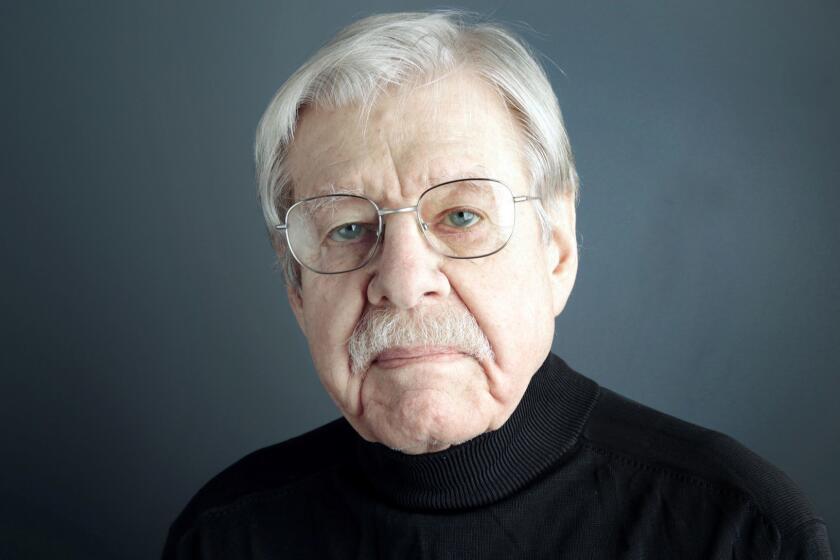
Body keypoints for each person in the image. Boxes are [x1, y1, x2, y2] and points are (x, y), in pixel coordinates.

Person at [162, 11, 832, 559]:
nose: (401, 280)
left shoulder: (742, 531)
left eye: (460, 215)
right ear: (297, 288)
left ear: (558, 250)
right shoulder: (223, 536)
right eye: (345, 229)